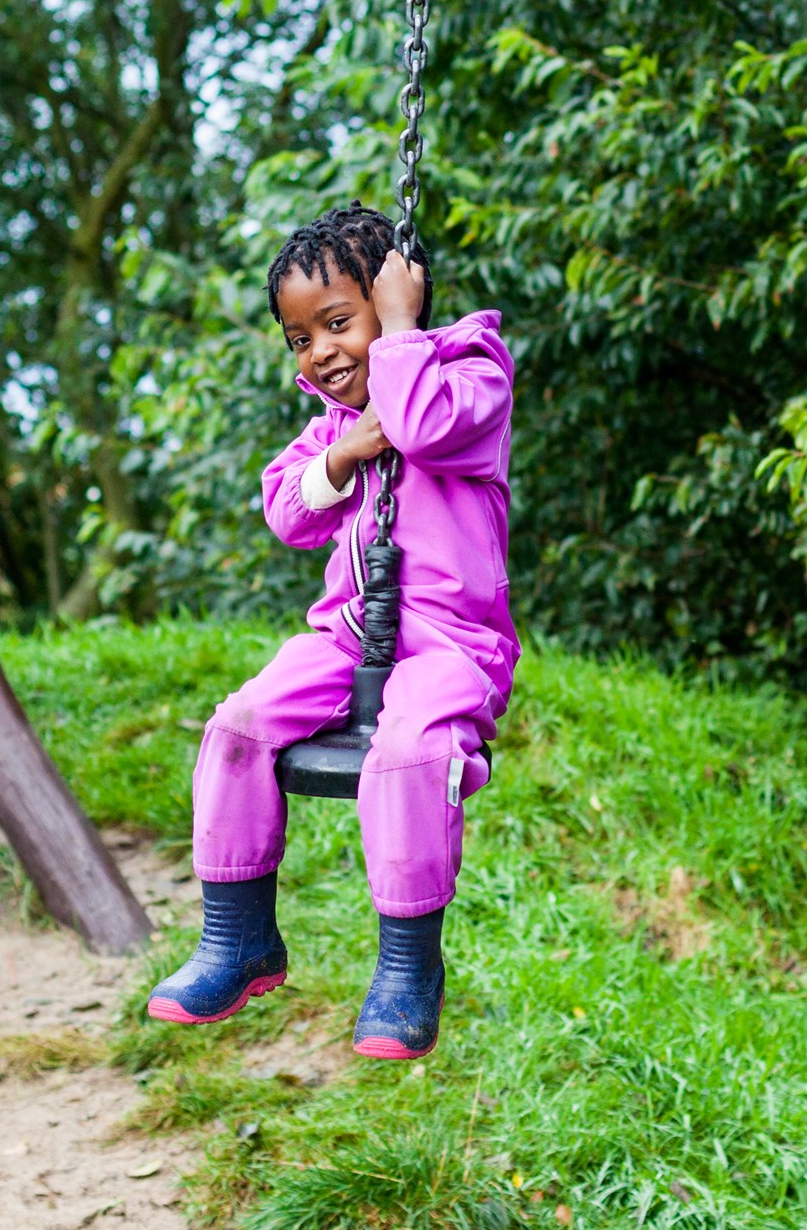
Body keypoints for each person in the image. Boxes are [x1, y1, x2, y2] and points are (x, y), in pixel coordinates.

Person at [146, 204, 517, 1061]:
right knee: (237, 723)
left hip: (452, 642)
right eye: (300, 338)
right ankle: (237, 937)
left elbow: (421, 426)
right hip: (348, 637)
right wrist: (344, 454)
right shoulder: (333, 423)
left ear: (396, 299)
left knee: (409, 753)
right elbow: (288, 511)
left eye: (339, 321)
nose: (321, 352)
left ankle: (406, 969)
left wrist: (401, 337)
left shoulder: (468, 378)